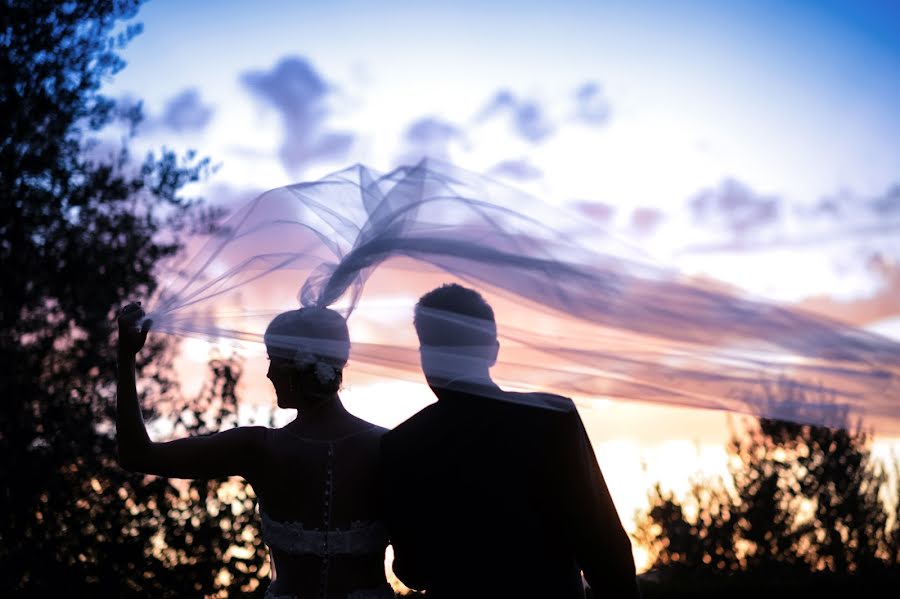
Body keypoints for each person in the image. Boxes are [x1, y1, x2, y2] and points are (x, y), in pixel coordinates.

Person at [116, 302, 394, 599]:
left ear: (295, 369)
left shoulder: (258, 449)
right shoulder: (387, 446)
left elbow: (136, 455)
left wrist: (125, 355)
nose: (269, 374)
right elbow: (410, 569)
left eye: (273, 359)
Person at [381, 284, 640, 598]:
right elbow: (603, 542)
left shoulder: (401, 443)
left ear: (425, 355)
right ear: (493, 350)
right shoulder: (552, 417)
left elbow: (413, 570)